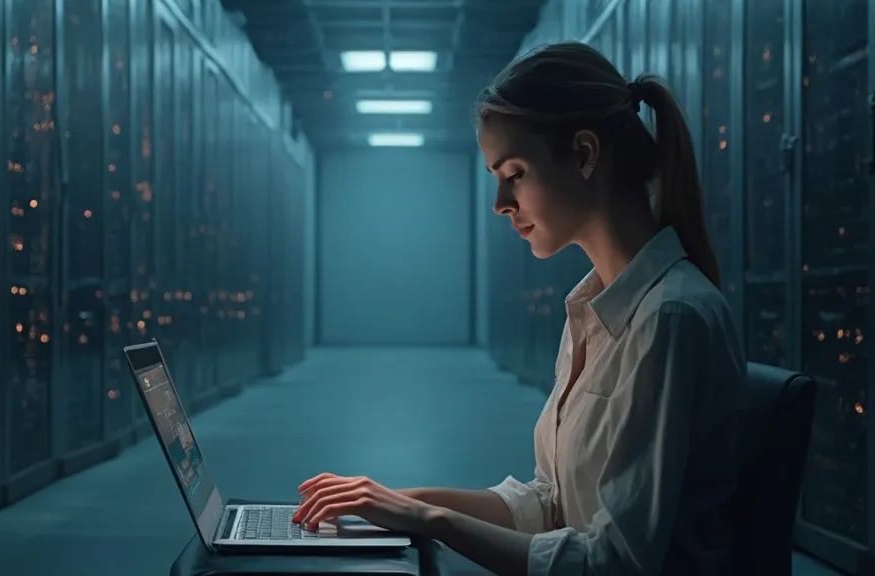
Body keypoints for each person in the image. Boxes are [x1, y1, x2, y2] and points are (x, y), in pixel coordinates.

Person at [292, 41, 744, 575]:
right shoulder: (594, 310)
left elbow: (612, 565)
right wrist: (393, 500)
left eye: (515, 173)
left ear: (584, 154)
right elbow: (549, 504)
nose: (500, 204)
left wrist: (432, 520)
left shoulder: (669, 319)